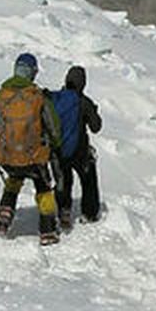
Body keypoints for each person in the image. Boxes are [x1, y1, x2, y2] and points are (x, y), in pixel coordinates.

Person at [0, 52, 63, 243]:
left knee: (14, 179)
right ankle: (47, 230)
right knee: (44, 188)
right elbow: (54, 128)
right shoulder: (38, 97)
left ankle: (5, 213)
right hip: (34, 158)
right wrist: (56, 144)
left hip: (8, 157)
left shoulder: (1, 95)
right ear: (33, 73)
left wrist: (9, 140)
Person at [51, 64, 103, 227]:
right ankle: (89, 213)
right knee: (88, 181)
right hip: (80, 152)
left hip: (59, 150)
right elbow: (96, 127)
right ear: (83, 83)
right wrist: (93, 111)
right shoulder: (84, 102)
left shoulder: (56, 98)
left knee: (63, 180)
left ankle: (63, 209)